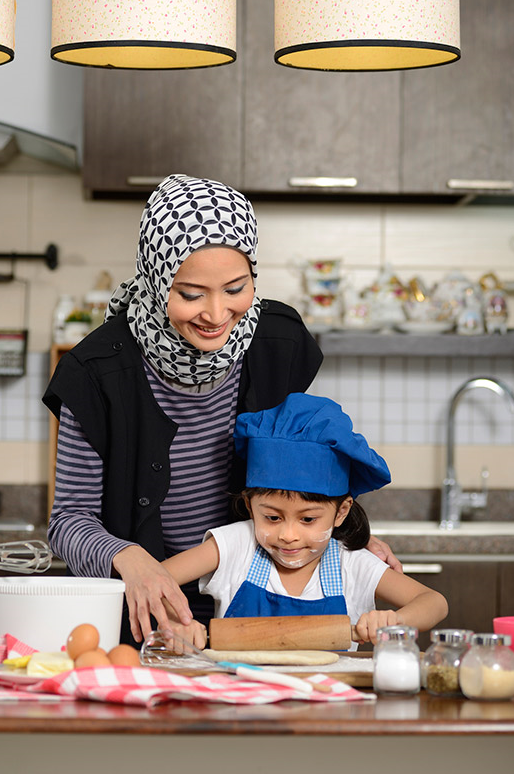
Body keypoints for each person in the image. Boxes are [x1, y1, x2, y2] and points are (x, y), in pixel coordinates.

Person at [43, 173, 400, 646]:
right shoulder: (95, 373)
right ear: (155, 280)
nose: (216, 315)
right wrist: (130, 560)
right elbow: (69, 520)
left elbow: (307, 460)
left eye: (236, 288)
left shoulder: (278, 344)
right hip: (148, 617)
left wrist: (345, 542)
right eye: (191, 294)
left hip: (254, 617)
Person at [161, 393, 448, 649]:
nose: (288, 534)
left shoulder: (352, 564)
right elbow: (156, 580)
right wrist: (177, 620)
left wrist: (392, 621)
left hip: (331, 703)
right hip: (241, 700)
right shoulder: (237, 546)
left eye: (308, 519)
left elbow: (435, 602)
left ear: (342, 511)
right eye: (272, 517)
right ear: (250, 506)